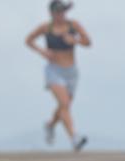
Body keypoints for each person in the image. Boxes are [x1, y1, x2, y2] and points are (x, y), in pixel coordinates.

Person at [26, 0, 91, 152]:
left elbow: (88, 42)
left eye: (63, 12)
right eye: (59, 12)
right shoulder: (46, 28)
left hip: (71, 71)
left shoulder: (73, 25)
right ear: (52, 13)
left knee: (65, 105)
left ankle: (50, 125)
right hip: (54, 70)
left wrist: (75, 40)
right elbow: (28, 40)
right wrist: (42, 52)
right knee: (64, 103)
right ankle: (75, 138)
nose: (62, 15)